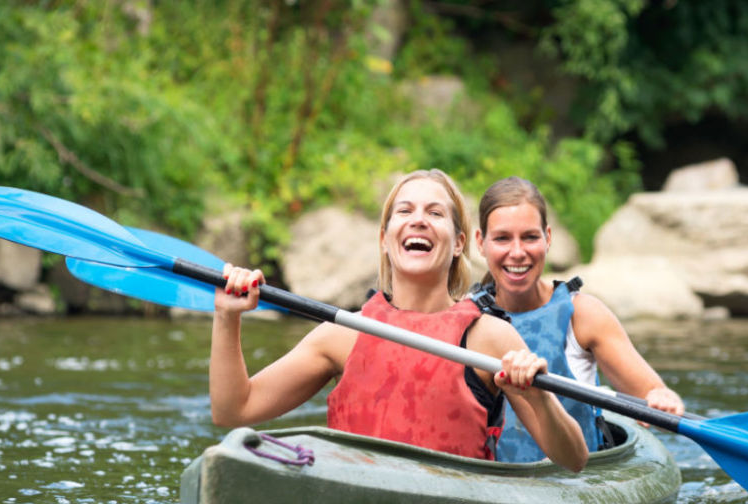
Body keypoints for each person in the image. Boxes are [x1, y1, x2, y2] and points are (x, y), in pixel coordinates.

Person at [209, 169, 588, 472]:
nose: (418, 221)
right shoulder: (342, 335)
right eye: (404, 212)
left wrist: (539, 399)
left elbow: (574, 460)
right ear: (385, 239)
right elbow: (233, 410)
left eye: (435, 213)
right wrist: (227, 318)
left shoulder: (489, 338)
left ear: (458, 243)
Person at [471, 176, 684, 463]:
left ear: (548, 238)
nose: (517, 252)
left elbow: (653, 397)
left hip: (576, 480)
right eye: (502, 238)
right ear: (480, 242)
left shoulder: (583, 315)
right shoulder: (465, 317)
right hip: (495, 485)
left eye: (530, 237)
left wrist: (663, 399)